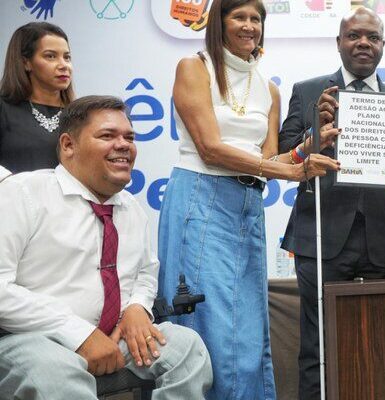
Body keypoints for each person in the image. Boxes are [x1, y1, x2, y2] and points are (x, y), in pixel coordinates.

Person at [156, 0, 339, 399]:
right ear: (218, 22)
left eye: (256, 18)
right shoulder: (194, 67)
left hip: (247, 206)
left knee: (248, 326)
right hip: (200, 197)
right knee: (208, 321)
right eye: (239, 16)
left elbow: (272, 160)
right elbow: (210, 148)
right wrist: (287, 170)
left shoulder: (268, 87)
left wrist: (308, 147)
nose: (249, 25)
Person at [0, 95, 212, 399]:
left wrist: (137, 307)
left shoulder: (130, 208)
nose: (124, 144)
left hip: (113, 335)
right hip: (31, 339)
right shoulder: (22, 194)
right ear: (68, 145)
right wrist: (79, 333)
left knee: (187, 350)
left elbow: (146, 271)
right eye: (107, 136)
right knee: (57, 375)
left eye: (129, 137)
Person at [277, 8, 385, 399]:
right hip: (321, 235)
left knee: (383, 343)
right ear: (339, 43)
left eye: (372, 37)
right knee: (317, 346)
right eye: (354, 36)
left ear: (382, 46)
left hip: (382, 239)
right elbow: (282, 159)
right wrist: (316, 132)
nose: (363, 43)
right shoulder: (309, 91)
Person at [0, 22, 74, 173]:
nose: (63, 65)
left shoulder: (81, 115)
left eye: (67, 57)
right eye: (51, 56)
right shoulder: (4, 108)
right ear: (26, 62)